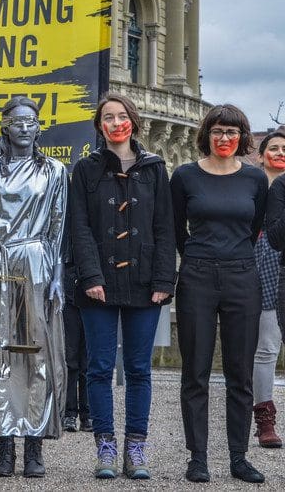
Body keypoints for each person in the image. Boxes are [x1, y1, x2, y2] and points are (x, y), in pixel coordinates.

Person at [70, 93, 176, 479]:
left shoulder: (154, 168)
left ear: (133, 120)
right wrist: (91, 275)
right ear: (99, 126)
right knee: (98, 368)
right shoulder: (85, 170)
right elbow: (78, 227)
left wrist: (165, 279)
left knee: (138, 369)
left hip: (146, 281)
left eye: (121, 116)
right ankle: (106, 447)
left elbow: (165, 227)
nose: (116, 123)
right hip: (98, 281)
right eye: (107, 118)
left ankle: (136, 447)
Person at [0, 96, 68, 478]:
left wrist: (57, 276)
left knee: (38, 353)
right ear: (5, 127)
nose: (25, 128)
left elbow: (59, 227)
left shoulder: (55, 172)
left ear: (39, 127)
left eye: (32, 122)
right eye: (18, 122)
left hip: (38, 262)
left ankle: (35, 446)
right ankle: (4, 444)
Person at [171, 104, 268, 484]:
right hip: (197, 274)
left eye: (231, 132)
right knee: (194, 372)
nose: (224, 138)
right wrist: (195, 256)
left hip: (242, 275)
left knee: (239, 374)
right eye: (217, 131)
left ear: (242, 137)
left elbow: (254, 225)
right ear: (206, 135)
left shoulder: (255, 180)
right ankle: (198, 457)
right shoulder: (184, 176)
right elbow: (176, 227)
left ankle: (239, 457)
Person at [255, 127, 285, 447]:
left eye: (284, 148)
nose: (279, 153)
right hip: (258, 266)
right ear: (262, 154)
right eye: (273, 148)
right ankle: (264, 417)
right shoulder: (252, 184)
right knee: (266, 348)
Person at [61, 265, 91, 433]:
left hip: (92, 294)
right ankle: (69, 413)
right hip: (69, 293)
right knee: (70, 359)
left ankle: (88, 414)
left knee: (88, 361)